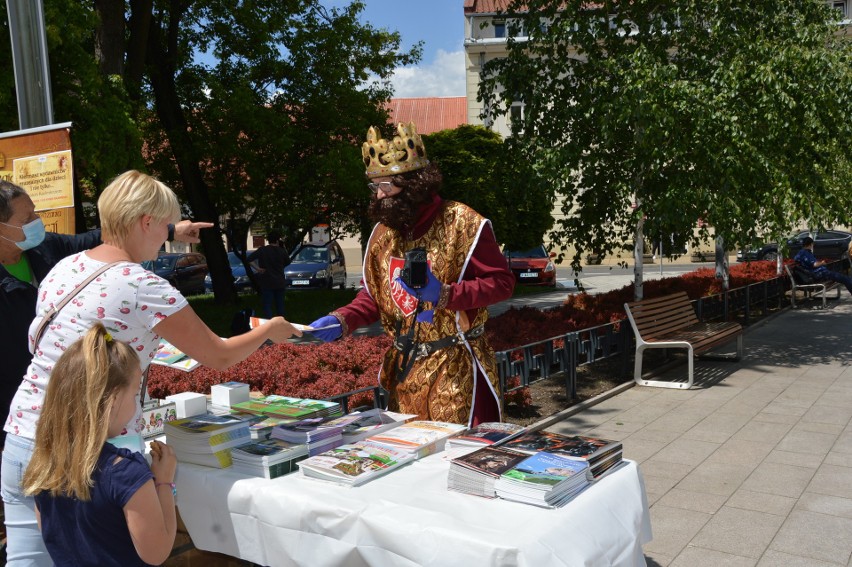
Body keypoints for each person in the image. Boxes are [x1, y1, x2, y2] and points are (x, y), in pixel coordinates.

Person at [2, 170, 302, 565]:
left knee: (28, 558)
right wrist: (271, 330)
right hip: (93, 449)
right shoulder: (145, 286)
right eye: (165, 226)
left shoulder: (63, 268)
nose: (167, 237)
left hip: (24, 434)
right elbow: (219, 355)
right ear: (146, 222)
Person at [308, 122, 515, 426]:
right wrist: (343, 320)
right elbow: (373, 296)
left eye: (386, 186)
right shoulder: (382, 234)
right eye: (374, 187)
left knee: (455, 453)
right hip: (406, 368)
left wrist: (446, 295)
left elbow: (502, 284)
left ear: (415, 183)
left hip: (455, 366)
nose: (379, 196)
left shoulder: (463, 222)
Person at [0, 179, 210, 449]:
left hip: (68, 399)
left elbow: (101, 238)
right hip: (18, 405)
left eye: (35, 212)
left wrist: (168, 230)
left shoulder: (45, 249)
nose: (37, 221)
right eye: (27, 217)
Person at [22, 324, 177, 566]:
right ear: (113, 400)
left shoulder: (44, 465)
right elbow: (157, 552)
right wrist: (164, 482)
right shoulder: (127, 472)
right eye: (135, 393)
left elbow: (53, 538)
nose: (136, 405)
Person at [248, 230, 290, 318]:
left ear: (268, 240)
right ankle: (281, 324)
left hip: (267, 281)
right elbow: (287, 262)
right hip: (279, 281)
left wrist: (258, 269)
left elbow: (249, 259)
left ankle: (269, 323)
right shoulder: (282, 251)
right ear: (277, 240)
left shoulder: (263, 250)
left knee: (267, 305)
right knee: (280, 305)